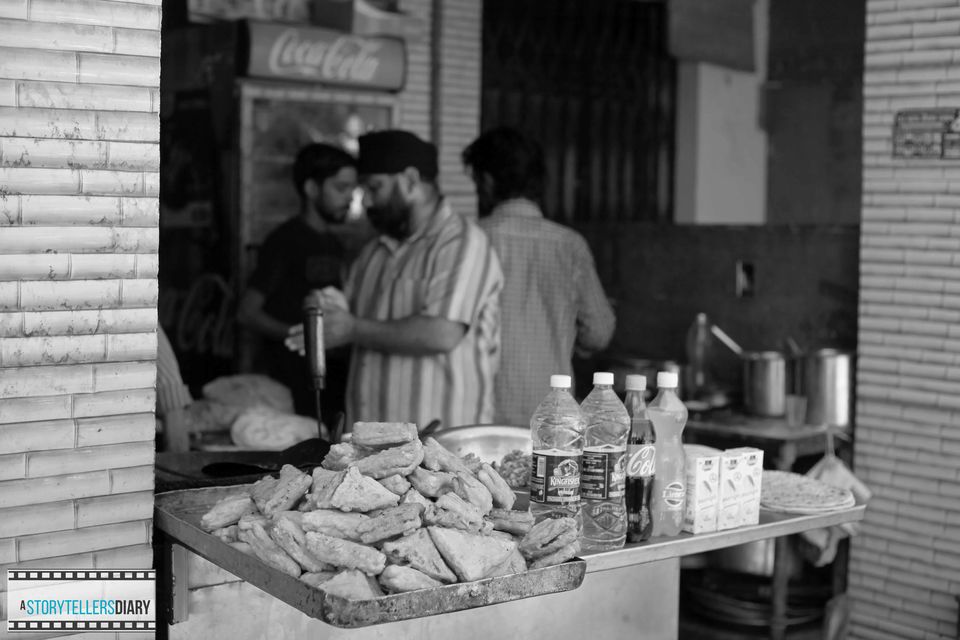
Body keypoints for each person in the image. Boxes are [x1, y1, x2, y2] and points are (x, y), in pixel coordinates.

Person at [288, 130, 503, 431]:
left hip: (442, 450)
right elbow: (348, 331)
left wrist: (351, 328)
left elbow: (441, 333)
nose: (367, 202)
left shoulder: (462, 243)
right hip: (370, 450)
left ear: (411, 180)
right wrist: (325, 315)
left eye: (375, 188)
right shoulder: (371, 253)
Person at [462, 126, 616, 426]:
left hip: (480, 412)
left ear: (487, 181)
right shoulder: (570, 245)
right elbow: (599, 332)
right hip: (552, 418)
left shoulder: (469, 240)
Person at [238, 143, 357, 427]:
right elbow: (247, 312)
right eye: (341, 188)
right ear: (312, 189)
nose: (350, 198)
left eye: (352, 190)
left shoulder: (337, 244)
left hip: (336, 381)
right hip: (291, 387)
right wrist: (304, 339)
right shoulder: (284, 242)